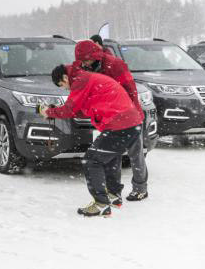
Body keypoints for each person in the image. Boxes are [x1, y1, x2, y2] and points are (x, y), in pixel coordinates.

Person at [38, 64, 143, 217]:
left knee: (91, 161)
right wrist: (55, 110)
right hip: (131, 123)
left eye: (63, 85)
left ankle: (101, 204)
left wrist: (48, 112)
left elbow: (70, 110)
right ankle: (113, 196)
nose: (66, 89)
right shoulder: (87, 78)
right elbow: (79, 110)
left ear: (65, 77)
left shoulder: (80, 80)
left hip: (120, 124)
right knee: (110, 157)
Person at [76, 40, 149, 202]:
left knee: (135, 153)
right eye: (82, 61)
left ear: (95, 55)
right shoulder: (86, 68)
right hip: (109, 118)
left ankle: (140, 188)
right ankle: (113, 190)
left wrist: (130, 115)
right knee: (112, 155)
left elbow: (131, 90)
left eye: (86, 60)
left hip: (129, 116)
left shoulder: (115, 65)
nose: (85, 63)